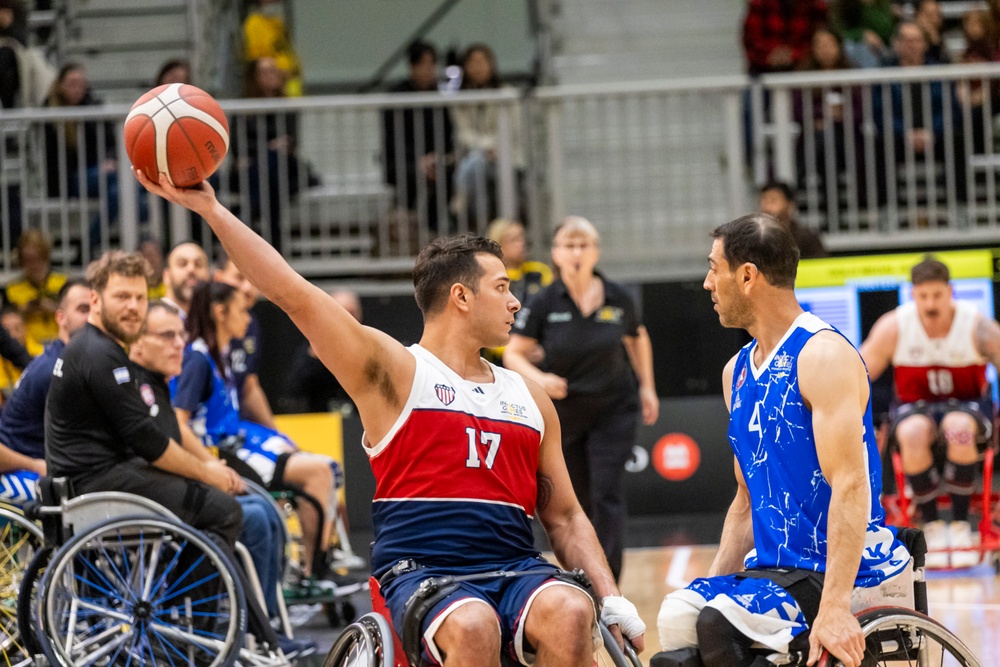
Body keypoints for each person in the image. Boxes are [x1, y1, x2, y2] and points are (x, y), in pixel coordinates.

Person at [135, 168, 647, 666]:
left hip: (516, 567)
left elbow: (565, 516)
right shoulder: (396, 371)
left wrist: (612, 598)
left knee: (573, 611)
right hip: (424, 571)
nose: (516, 301)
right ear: (461, 296)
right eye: (502, 287)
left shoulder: (532, 399)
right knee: (473, 625)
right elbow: (292, 292)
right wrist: (212, 210)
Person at [655, 213, 909, 667]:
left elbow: (852, 486)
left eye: (715, 267)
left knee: (718, 623)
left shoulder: (822, 355)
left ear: (747, 276)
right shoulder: (736, 373)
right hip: (775, 568)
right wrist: (712, 586)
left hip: (843, 563)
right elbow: (746, 501)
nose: (708, 282)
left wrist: (833, 607)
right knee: (680, 616)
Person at [42, 251, 283, 656]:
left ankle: (194, 626)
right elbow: (150, 444)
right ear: (97, 301)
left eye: (139, 297)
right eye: (122, 297)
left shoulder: (101, 348)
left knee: (216, 502)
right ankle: (196, 638)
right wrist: (207, 472)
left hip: (102, 476)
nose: (134, 306)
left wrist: (203, 468)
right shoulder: (100, 356)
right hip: (97, 485)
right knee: (223, 510)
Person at [128, 299, 313, 656]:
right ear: (137, 341)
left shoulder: (162, 380)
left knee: (263, 510)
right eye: (168, 336)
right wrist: (208, 471)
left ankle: (264, 624)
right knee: (253, 516)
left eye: (180, 335)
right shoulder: (142, 383)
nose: (179, 343)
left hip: (176, 478)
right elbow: (162, 443)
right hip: (150, 489)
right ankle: (230, 628)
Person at [503, 216, 658, 581]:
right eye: (568, 246)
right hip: (564, 413)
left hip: (614, 408)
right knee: (575, 500)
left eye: (583, 245)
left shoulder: (618, 296)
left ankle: (610, 583)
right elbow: (514, 353)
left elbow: (638, 338)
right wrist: (541, 379)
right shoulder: (543, 301)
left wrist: (647, 386)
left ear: (596, 252)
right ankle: (579, 576)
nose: (576, 253)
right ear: (556, 254)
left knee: (607, 494)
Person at [172, 280, 340, 584]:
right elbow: (178, 422)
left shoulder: (219, 355)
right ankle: (312, 571)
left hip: (237, 441)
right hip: (220, 450)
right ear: (219, 312)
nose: (249, 318)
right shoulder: (197, 359)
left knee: (325, 469)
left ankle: (314, 564)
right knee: (320, 472)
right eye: (241, 310)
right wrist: (207, 465)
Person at [858, 257, 1000, 569]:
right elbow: (858, 372)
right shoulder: (894, 326)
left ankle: (961, 524)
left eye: (937, 295)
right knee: (911, 432)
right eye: (923, 296)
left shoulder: (977, 326)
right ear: (913, 295)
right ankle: (933, 524)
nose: (930, 303)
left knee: (957, 425)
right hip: (914, 411)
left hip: (967, 408)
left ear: (951, 292)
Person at [0, 278, 90, 504]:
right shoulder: (56, 370)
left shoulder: (65, 360)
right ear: (60, 318)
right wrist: (35, 465)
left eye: (95, 310)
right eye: (83, 309)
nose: (91, 318)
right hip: (18, 470)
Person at [229, 57, 318, 252]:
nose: (272, 75)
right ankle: (274, 238)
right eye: (265, 71)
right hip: (256, 172)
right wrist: (270, 146)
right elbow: (237, 144)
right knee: (268, 168)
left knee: (271, 165)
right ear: (254, 77)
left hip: (280, 168)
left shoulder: (286, 105)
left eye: (274, 71)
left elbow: (291, 140)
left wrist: (260, 151)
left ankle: (249, 215)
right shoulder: (243, 107)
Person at [382, 40, 456, 236]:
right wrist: (419, 160)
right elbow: (393, 140)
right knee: (410, 175)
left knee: (448, 175)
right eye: (423, 64)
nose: (428, 70)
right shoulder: (396, 96)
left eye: (432, 64)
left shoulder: (440, 96)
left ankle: (432, 230)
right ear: (412, 67)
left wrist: (435, 158)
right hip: (402, 161)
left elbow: (447, 136)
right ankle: (410, 230)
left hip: (435, 160)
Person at [451, 43, 524, 229]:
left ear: (491, 64)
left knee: (476, 164)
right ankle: (486, 226)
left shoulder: (507, 93)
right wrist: (485, 147)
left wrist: (493, 147)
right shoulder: (459, 98)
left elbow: (511, 129)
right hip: (478, 156)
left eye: (482, 62)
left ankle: (462, 205)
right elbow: (463, 133)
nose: (478, 67)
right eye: (472, 62)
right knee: (478, 164)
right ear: (465, 68)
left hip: (506, 156)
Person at [213, 250, 275, 426]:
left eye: (254, 281)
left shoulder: (250, 322)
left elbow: (249, 385)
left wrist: (277, 434)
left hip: (235, 426)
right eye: (239, 278)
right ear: (218, 278)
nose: (247, 288)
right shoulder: (197, 329)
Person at [482, 219, 552, 366]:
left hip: (538, 353)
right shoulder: (488, 277)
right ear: (498, 243)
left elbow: (552, 312)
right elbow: (483, 321)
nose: (521, 243)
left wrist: (543, 347)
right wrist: (513, 351)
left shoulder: (539, 272)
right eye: (513, 239)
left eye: (522, 238)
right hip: (498, 358)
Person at [285, 288, 360, 414]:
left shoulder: (372, 351)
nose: (347, 320)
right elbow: (293, 394)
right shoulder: (312, 350)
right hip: (321, 423)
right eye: (340, 312)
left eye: (351, 313)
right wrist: (314, 354)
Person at [4, 229, 68, 355]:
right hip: (26, 350)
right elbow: (6, 325)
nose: (33, 264)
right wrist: (22, 312)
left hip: (61, 345)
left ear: (46, 256)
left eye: (37, 258)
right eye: (28, 259)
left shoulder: (63, 282)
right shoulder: (12, 289)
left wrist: (55, 308)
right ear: (21, 260)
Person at [243, 0, 302, 97]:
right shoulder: (254, 23)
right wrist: (279, 70)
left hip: (291, 90)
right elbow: (260, 61)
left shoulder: (278, 23)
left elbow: (287, 51)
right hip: (268, 94)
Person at [758, 181, 828, 258]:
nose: (767, 208)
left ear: (790, 204)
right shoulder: (756, 238)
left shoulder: (807, 238)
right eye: (764, 201)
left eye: (773, 201)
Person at [162, 240, 210, 316]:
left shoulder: (217, 320)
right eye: (182, 264)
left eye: (198, 264)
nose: (191, 269)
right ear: (166, 276)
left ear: (208, 276)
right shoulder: (151, 319)